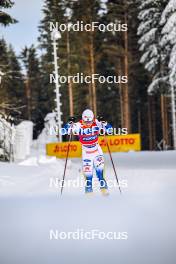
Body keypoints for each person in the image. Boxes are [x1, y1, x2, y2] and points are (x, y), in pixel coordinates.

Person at [64, 109, 112, 195]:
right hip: (86, 152)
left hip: (97, 150)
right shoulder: (78, 125)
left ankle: (104, 189)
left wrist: (104, 123)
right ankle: (89, 191)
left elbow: (110, 130)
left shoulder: (97, 123)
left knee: (99, 172)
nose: (88, 123)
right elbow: (64, 131)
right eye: (86, 122)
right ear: (83, 119)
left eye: (90, 121)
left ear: (93, 119)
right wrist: (69, 123)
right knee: (88, 174)